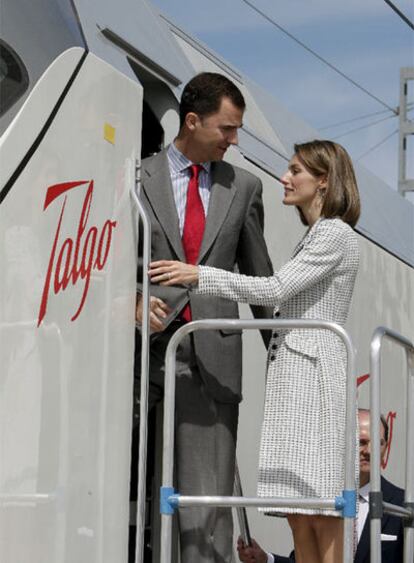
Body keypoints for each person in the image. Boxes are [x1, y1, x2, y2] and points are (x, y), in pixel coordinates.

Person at [149, 139, 361, 563]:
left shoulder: (335, 233)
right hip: (295, 377)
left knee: (320, 509)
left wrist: (199, 276)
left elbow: (275, 289)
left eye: (296, 170)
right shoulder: (316, 234)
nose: (285, 177)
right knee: (298, 513)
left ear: (323, 181)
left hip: (314, 379)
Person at [134, 72, 273, 563]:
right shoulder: (133, 174)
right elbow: (108, 258)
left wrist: (285, 355)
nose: (234, 142)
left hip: (211, 366)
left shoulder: (245, 187)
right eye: (227, 129)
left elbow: (262, 281)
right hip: (135, 360)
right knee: (124, 495)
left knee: (204, 517)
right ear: (192, 122)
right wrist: (132, 299)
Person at [236, 409, 404, 563]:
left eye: (377, 443)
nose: (368, 450)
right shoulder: (324, 500)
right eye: (361, 442)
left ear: (385, 449)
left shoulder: (400, 504)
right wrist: (266, 559)